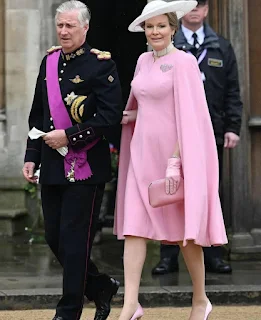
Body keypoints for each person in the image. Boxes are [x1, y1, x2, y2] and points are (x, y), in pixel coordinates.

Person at [114, 0, 228, 319]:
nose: (155, 32)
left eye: (161, 25)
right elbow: (148, 103)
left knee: (181, 234)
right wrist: (127, 115)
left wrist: (176, 161)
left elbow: (189, 115)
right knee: (134, 229)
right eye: (150, 27)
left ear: (173, 28)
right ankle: (130, 305)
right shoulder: (141, 61)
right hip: (141, 153)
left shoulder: (184, 62)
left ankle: (200, 300)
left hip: (172, 158)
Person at [22, 1, 122, 320]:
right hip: (52, 165)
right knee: (55, 238)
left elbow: (110, 117)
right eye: (60, 25)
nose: (64, 31)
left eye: (70, 26)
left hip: (86, 166)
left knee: (76, 240)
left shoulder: (100, 65)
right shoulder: (50, 61)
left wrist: (70, 136)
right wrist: (31, 155)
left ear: (85, 28)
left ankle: (68, 312)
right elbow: (38, 113)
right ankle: (100, 286)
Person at [152, 0, 243, 276]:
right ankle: (168, 256)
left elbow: (232, 91)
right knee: (171, 193)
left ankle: (213, 254)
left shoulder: (221, 47)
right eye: (191, 5)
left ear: (206, 10)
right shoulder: (168, 44)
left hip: (210, 132)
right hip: (173, 133)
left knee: (207, 192)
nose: (195, 10)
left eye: (200, 5)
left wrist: (232, 127)